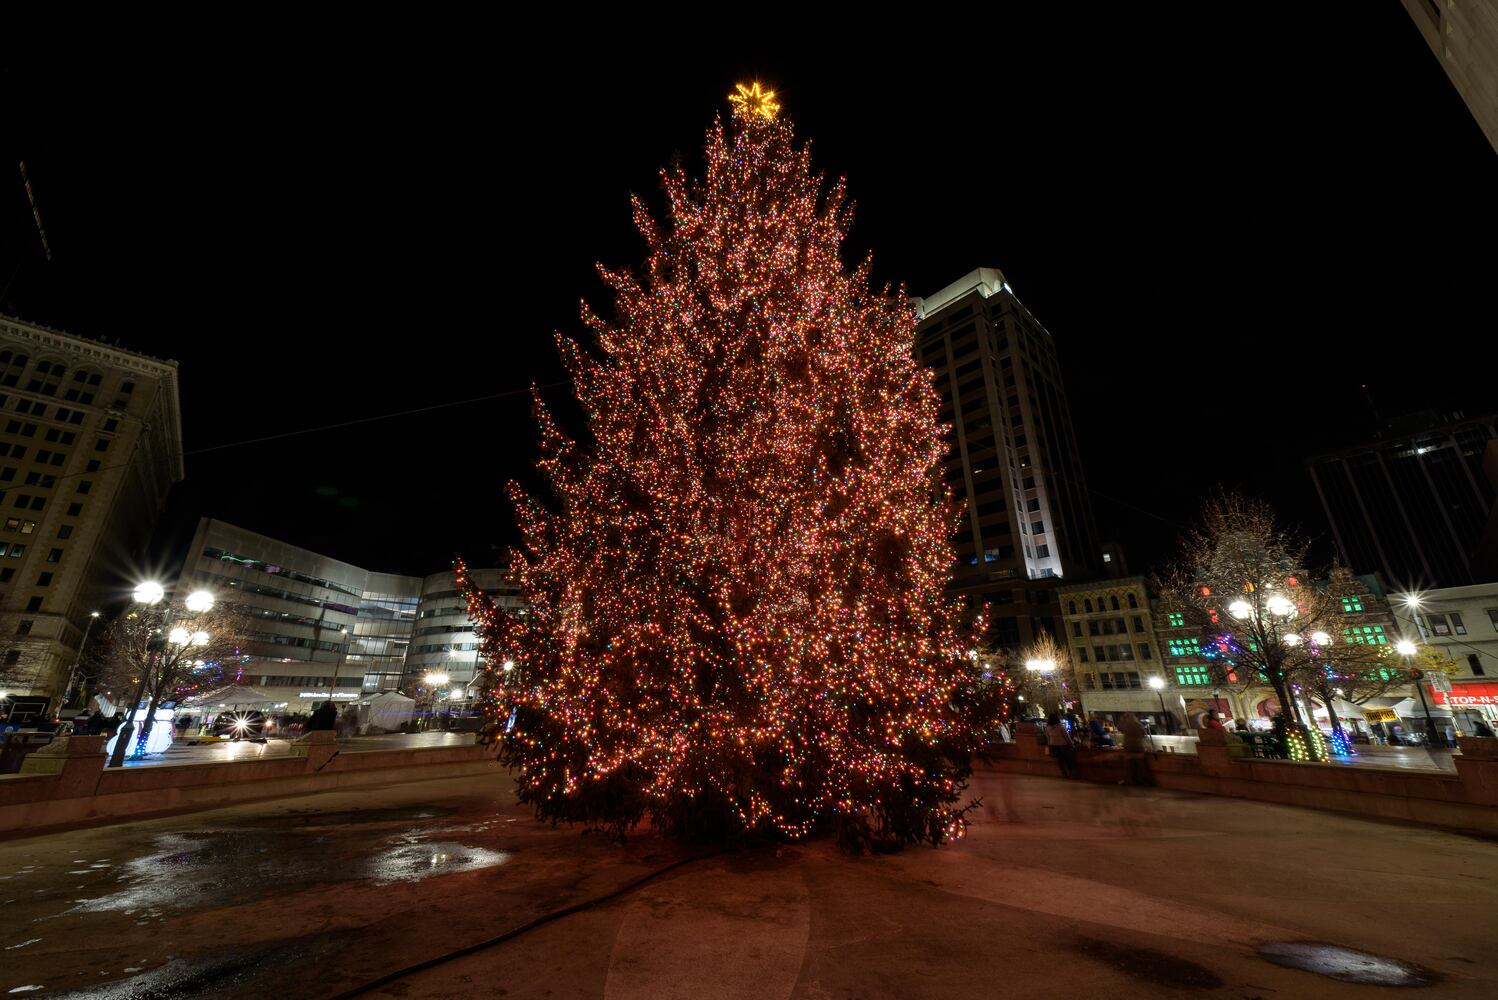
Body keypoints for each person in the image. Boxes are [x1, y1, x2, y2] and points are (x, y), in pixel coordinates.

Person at [1045, 711, 1078, 779]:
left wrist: (1049, 745)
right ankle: (1071, 773)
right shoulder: (1060, 726)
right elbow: (1066, 736)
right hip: (1062, 745)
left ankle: (1064, 773)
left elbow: (1048, 737)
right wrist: (1071, 744)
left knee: (1060, 760)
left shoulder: (1047, 727)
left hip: (1053, 745)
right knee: (1067, 759)